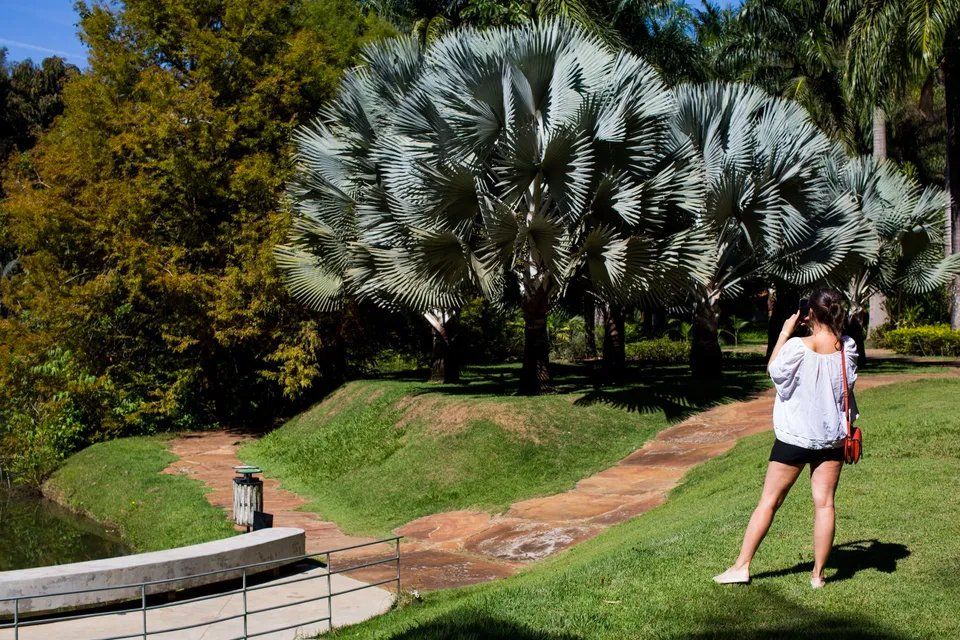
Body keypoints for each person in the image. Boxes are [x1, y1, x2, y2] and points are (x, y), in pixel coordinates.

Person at [713, 288, 858, 589]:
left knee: (769, 502)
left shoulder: (796, 346)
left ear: (809, 315)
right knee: (824, 504)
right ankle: (818, 575)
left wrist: (783, 332)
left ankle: (742, 566)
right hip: (831, 438)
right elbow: (847, 389)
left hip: (794, 437)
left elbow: (773, 371)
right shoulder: (848, 347)